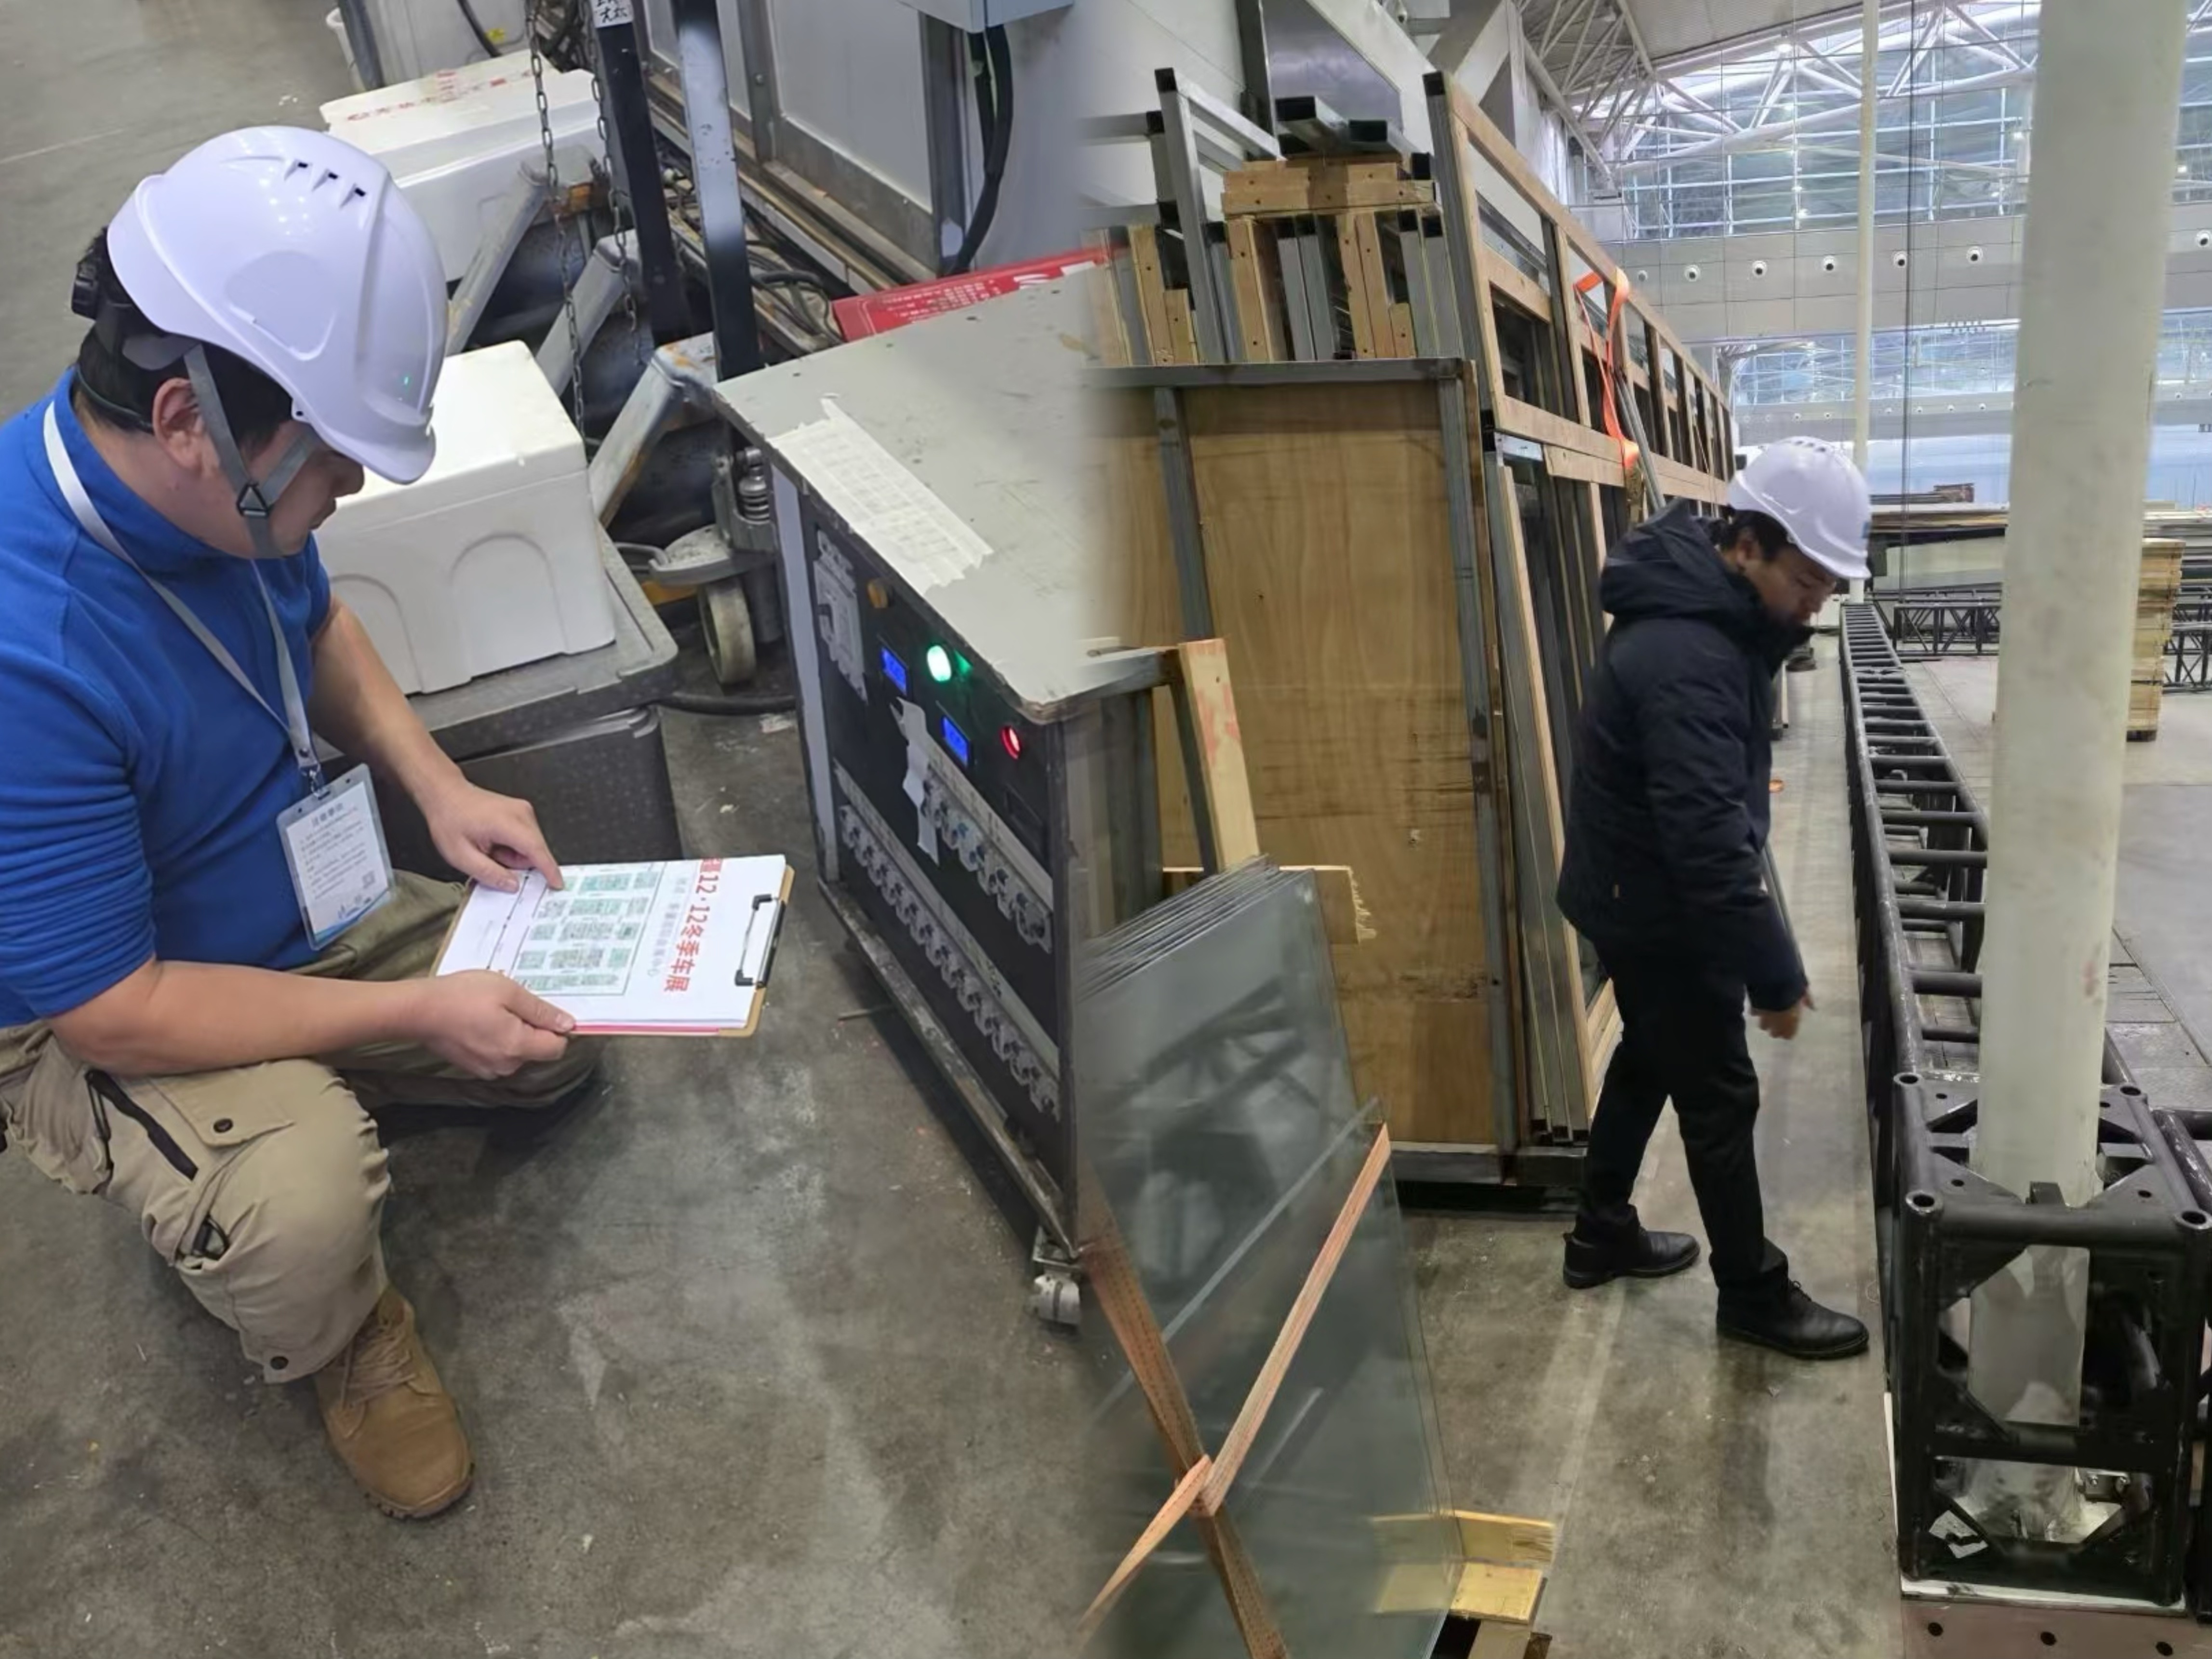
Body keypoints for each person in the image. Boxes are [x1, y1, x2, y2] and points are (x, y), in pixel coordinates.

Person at [0, 129, 597, 1518]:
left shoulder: (217, 492)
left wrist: (436, 785)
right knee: (308, 1210)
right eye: (330, 460)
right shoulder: (28, 653)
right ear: (187, 421)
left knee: (564, 1033)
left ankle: (325, 1067)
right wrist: (413, 1015)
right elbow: (115, 1008)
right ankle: (338, 1331)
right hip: (112, 1004)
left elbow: (315, 622)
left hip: (280, 897)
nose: (351, 491)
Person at [1553, 437, 1872, 1361]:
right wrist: (1773, 975)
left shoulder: (1706, 617)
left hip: (1630, 887)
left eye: (1828, 585)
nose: (1815, 601)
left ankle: (1598, 1232)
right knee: (1720, 1094)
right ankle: (1752, 1293)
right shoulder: (1687, 652)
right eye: (1806, 579)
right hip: (1656, 905)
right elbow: (1705, 842)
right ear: (1744, 546)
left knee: (1650, 1057)